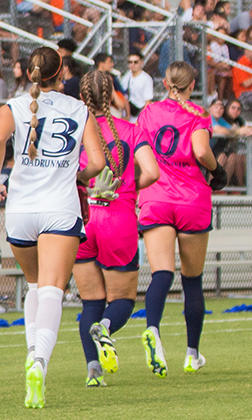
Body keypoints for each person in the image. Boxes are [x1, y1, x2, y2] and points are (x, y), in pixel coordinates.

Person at [0, 47, 106, 409]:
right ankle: (39, 362)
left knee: (35, 285)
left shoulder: (15, 107)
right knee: (53, 289)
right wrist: (76, 176)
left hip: (21, 209)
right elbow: (98, 161)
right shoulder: (78, 109)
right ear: (61, 72)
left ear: (28, 73)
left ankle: (31, 350)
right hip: (59, 209)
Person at [72, 70, 160, 388]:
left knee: (90, 302)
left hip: (83, 219)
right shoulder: (130, 130)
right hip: (118, 218)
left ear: (82, 98)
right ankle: (106, 328)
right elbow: (152, 171)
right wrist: (130, 188)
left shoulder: (75, 130)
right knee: (122, 299)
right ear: (113, 96)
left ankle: (93, 370)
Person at [133, 61, 221, 377]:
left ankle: (153, 329)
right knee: (192, 280)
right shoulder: (198, 114)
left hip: (156, 197)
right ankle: (192, 353)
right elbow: (200, 151)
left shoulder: (148, 113)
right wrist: (217, 169)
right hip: (191, 199)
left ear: (166, 82)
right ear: (191, 84)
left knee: (161, 273)